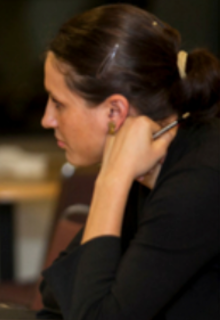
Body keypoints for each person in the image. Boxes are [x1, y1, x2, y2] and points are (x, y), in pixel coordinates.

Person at [36, 4, 219, 319]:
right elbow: (54, 288)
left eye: (58, 103)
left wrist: (112, 178)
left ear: (114, 112)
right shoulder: (157, 160)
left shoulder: (197, 182)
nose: (47, 120)